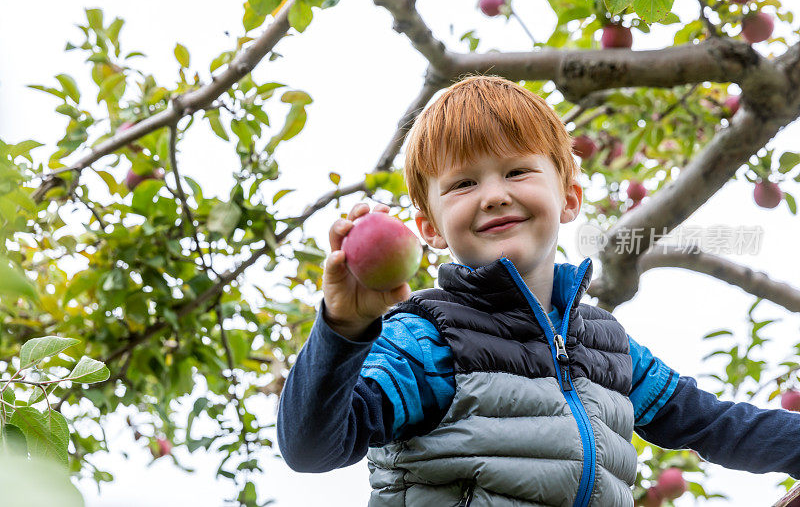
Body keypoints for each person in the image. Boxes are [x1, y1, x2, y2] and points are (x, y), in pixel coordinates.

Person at [276, 75, 800, 506]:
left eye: (518, 170)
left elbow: (714, 424)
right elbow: (312, 446)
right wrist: (345, 328)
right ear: (429, 228)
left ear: (569, 197)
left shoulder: (607, 346)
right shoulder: (427, 340)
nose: (494, 195)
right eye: (463, 183)